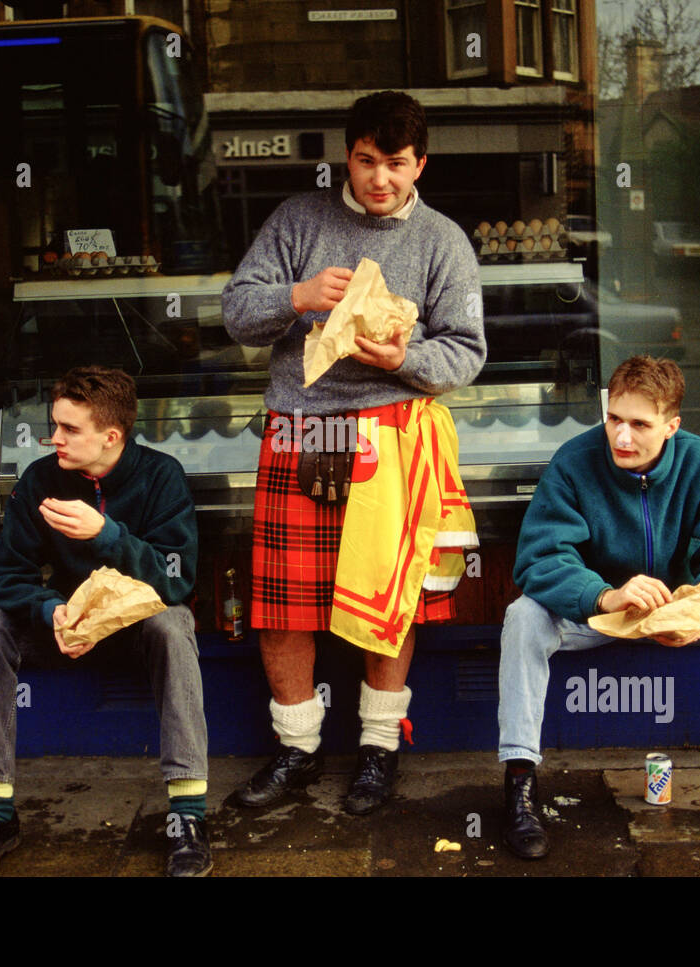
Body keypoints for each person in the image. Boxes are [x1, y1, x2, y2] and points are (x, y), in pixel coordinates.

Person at [221, 90, 486, 814]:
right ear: (348, 155)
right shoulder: (297, 221)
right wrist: (299, 295)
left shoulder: (442, 241)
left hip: (392, 438)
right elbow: (236, 312)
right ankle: (297, 751)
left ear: (420, 162)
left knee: (389, 604)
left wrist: (405, 353)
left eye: (396, 164)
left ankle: (377, 750)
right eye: (367, 161)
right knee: (282, 609)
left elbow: (466, 354)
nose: (379, 179)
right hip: (297, 433)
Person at [498, 355, 700, 862]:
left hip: (684, 617)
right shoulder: (574, 462)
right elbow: (540, 558)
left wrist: (697, 612)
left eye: (640, 425)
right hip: (602, 615)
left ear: (672, 426)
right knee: (523, 616)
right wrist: (603, 595)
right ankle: (519, 783)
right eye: (614, 419)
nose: (622, 437)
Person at [0, 366, 210, 877]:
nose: (55, 438)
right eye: (54, 424)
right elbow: (6, 575)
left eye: (70, 429)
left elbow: (176, 581)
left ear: (111, 436)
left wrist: (108, 534)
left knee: (174, 625)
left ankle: (188, 815)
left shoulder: (161, 476)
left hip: (138, 629)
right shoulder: (41, 478)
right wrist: (51, 611)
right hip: (64, 628)